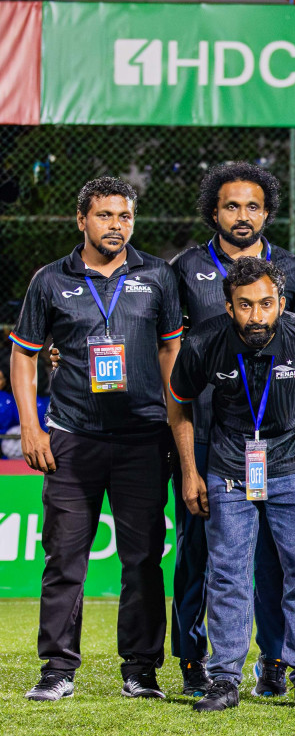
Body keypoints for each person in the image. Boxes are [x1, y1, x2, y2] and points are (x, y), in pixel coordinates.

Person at [11, 177, 183, 703]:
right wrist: (32, 426)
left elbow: (170, 353)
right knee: (64, 559)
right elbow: (24, 355)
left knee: (143, 560)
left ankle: (141, 670)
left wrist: (176, 424)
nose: (116, 225)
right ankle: (57, 669)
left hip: (143, 439)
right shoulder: (50, 280)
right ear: (81, 219)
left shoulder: (157, 275)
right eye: (105, 215)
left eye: (124, 216)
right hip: (72, 438)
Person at [168, 257, 295, 713]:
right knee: (227, 574)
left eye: (266, 304)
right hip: (231, 468)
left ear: (282, 304)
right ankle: (224, 679)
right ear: (229, 307)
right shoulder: (204, 341)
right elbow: (179, 400)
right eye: (245, 305)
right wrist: (190, 470)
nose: (256, 315)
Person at [168, 161, 295, 699]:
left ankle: (274, 661)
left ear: (267, 213)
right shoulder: (185, 269)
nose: (242, 215)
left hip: (277, 441)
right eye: (231, 206)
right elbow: (167, 348)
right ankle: (196, 662)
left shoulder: (292, 270)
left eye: (253, 206)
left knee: (274, 560)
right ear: (214, 212)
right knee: (199, 555)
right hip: (208, 435)